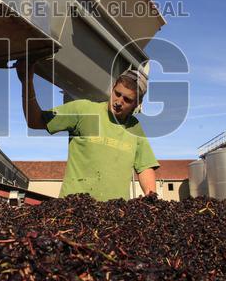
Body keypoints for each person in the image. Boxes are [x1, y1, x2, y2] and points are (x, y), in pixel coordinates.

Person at [15, 60, 159, 201]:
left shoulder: (135, 127)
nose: (119, 102)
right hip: (74, 209)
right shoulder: (83, 110)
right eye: (117, 93)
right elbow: (35, 121)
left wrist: (150, 196)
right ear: (112, 88)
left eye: (127, 100)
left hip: (115, 217)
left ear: (137, 104)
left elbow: (144, 167)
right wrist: (27, 82)